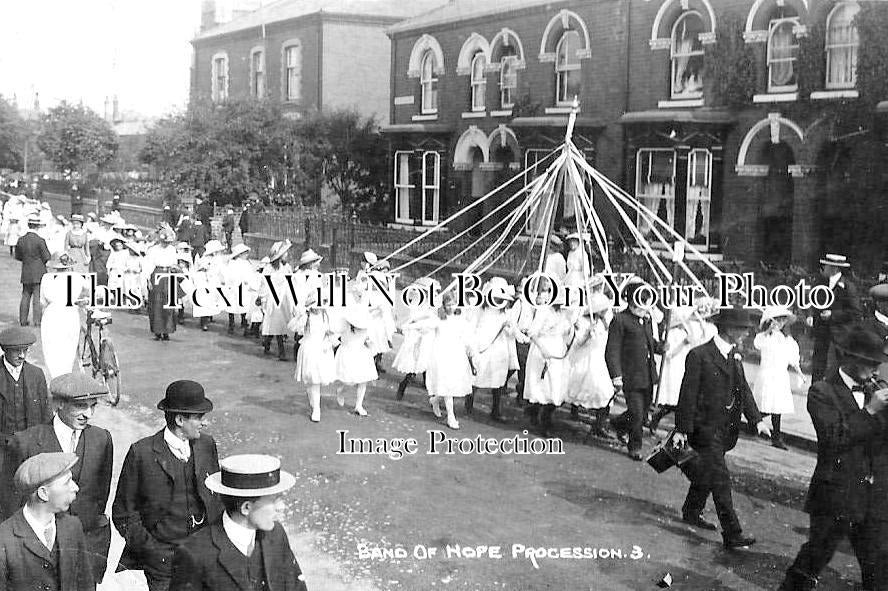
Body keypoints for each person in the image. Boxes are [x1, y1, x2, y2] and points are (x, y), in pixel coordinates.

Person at [779, 326, 888, 590]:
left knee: (879, 567)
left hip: (873, 498)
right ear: (849, 358)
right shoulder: (822, 391)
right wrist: (870, 411)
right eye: (869, 363)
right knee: (815, 556)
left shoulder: (877, 389)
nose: (875, 370)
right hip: (837, 494)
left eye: (878, 364)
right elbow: (834, 438)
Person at [673, 307, 772, 549]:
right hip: (703, 429)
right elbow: (688, 394)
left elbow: (743, 390)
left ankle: (691, 510)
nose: (746, 333)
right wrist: (681, 429)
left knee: (708, 473)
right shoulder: (699, 355)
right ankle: (732, 532)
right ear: (728, 329)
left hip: (724, 430)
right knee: (720, 479)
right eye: (742, 329)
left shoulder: (734, 356)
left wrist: (757, 420)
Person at [113, 380, 223, 591]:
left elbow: (216, 496)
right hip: (163, 564)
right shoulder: (142, 453)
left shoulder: (206, 445)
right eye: (198, 417)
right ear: (180, 420)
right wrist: (152, 551)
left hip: (204, 556)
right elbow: (123, 513)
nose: (204, 423)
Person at [6, 373, 113, 583]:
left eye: (93, 406)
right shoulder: (25, 443)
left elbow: (100, 496)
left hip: (87, 552)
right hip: (39, 554)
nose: (88, 414)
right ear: (59, 404)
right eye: (80, 406)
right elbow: (10, 505)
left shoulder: (102, 439)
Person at [169, 454, 308, 591]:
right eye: (274, 500)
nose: (281, 507)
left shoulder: (276, 534)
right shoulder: (194, 553)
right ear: (246, 508)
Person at [0, 452, 95, 591]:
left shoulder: (72, 526)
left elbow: (86, 584)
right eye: (67, 482)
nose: (75, 487)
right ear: (43, 493)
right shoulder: (4, 539)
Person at [605, 278, 662, 460]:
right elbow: (612, 350)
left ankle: (618, 424)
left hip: (647, 375)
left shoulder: (645, 320)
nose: (642, 305)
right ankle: (635, 447)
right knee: (637, 413)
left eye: (644, 300)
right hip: (631, 375)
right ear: (630, 301)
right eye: (639, 300)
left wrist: (660, 347)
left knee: (642, 413)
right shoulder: (620, 320)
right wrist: (616, 376)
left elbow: (648, 342)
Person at [0, 327, 53, 520]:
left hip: (30, 448)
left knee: (32, 495)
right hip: (2, 449)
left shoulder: (36, 374)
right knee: (5, 497)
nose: (22, 355)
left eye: (25, 350)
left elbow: (46, 414)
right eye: (17, 351)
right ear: (5, 350)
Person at [523, 276, 573, 437]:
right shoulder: (543, 311)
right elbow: (532, 332)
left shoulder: (564, 314)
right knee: (543, 386)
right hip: (543, 350)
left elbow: (566, 331)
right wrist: (543, 349)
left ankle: (537, 412)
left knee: (556, 387)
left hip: (558, 350)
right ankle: (543, 422)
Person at [753, 306, 803, 450]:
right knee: (767, 405)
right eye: (778, 320)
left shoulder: (787, 340)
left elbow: (792, 359)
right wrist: (768, 330)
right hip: (768, 374)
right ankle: (752, 420)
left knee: (777, 408)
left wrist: (800, 373)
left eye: (783, 320)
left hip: (780, 375)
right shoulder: (765, 337)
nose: (780, 323)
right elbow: (757, 344)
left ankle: (776, 437)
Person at [470, 278, 519, 422]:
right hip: (483, 346)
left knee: (498, 379)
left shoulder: (506, 313)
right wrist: (472, 346)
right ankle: (469, 402)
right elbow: (472, 327)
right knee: (478, 374)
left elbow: (512, 332)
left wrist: (510, 328)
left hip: (499, 349)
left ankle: (495, 410)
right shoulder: (481, 310)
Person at [565, 291, 613, 437]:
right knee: (573, 389)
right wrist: (587, 335)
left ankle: (599, 424)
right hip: (583, 359)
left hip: (598, 361)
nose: (605, 310)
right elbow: (578, 343)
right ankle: (547, 412)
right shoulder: (583, 321)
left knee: (605, 392)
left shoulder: (604, 322)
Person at [808, 253, 862, 381]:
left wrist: (832, 315)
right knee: (818, 361)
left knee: (839, 362)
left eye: (826, 266)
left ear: (834, 268)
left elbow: (855, 312)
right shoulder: (820, 283)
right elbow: (812, 301)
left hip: (840, 332)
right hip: (822, 330)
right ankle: (815, 386)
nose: (823, 268)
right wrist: (811, 315)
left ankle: (838, 388)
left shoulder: (848, 287)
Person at [40, 254, 89, 379]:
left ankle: (55, 378)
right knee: (68, 348)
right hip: (70, 314)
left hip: (52, 314)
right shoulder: (77, 277)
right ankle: (65, 377)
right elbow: (90, 290)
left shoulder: (47, 278)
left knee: (51, 348)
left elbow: (42, 302)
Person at [333, 289, 378, 418]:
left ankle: (359, 405)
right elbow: (336, 333)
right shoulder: (345, 322)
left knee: (363, 380)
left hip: (361, 353)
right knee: (348, 380)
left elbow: (369, 338)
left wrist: (370, 344)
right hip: (347, 352)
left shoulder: (367, 323)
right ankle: (341, 390)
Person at [293, 294, 336, 423]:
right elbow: (296, 328)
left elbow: (330, 332)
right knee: (311, 380)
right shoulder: (307, 316)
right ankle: (314, 404)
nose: (317, 307)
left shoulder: (325, 315)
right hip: (309, 349)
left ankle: (316, 408)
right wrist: (301, 315)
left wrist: (330, 339)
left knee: (316, 380)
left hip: (322, 350)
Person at [258, 241, 295, 360]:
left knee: (277, 324)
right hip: (272, 300)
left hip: (282, 299)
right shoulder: (268, 269)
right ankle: (281, 352)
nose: (287, 255)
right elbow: (264, 285)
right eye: (285, 253)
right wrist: (262, 298)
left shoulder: (284, 268)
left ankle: (267, 343)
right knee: (276, 323)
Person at [144, 224, 180, 341]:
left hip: (168, 275)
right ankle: (158, 331)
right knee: (157, 303)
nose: (166, 244)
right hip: (157, 275)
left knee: (168, 303)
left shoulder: (172, 250)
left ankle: (167, 330)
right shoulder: (153, 250)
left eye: (168, 242)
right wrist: (148, 280)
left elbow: (174, 263)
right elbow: (148, 265)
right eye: (164, 242)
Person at [15, 214, 51, 327]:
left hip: (26, 271)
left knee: (25, 295)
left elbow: (18, 256)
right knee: (37, 297)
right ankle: (37, 320)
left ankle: (23, 320)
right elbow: (47, 256)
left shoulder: (21, 240)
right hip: (39, 271)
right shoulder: (40, 240)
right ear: (37, 226)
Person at [223, 243, 254, 336]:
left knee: (233, 305)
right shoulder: (244, 264)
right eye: (245, 253)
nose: (246, 255)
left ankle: (231, 325)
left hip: (235, 287)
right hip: (241, 287)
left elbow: (228, 276)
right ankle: (243, 324)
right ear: (240, 254)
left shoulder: (232, 263)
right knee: (242, 305)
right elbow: (249, 276)